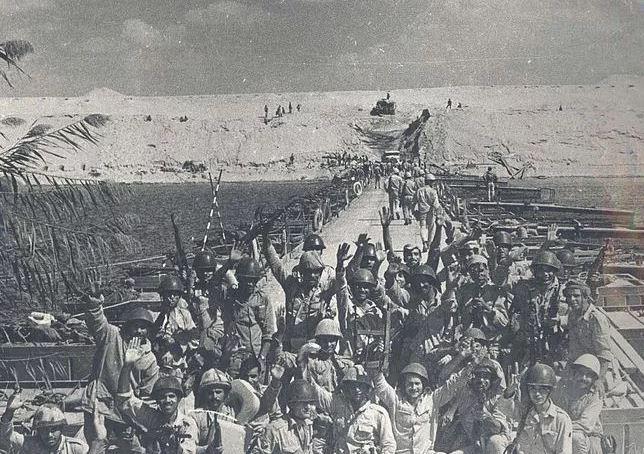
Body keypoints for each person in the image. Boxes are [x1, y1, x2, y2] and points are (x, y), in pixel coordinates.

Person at [81, 289, 159, 443]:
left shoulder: (150, 359)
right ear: (127, 326)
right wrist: (94, 304)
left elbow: (147, 394)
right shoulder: (112, 336)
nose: (138, 331)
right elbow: (97, 323)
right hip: (99, 405)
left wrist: (140, 421)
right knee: (97, 445)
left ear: (149, 331)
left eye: (143, 327)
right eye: (135, 326)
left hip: (126, 413)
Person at [369, 359, 477, 454]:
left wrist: (471, 366)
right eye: (410, 384)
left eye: (417, 384)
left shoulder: (433, 399)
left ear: (423, 384)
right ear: (404, 385)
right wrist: (376, 361)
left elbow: (452, 385)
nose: (413, 388)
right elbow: (380, 385)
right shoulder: (395, 400)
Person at [117, 338, 199, 454]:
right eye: (162, 397)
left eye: (171, 396)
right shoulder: (152, 417)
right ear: (157, 400)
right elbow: (124, 400)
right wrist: (127, 366)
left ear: (179, 399)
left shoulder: (187, 424)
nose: (167, 400)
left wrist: (174, 444)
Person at [264, 232, 337, 351]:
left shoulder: (325, 290)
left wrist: (341, 268)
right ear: (301, 272)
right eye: (308, 271)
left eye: (316, 272)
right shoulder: (291, 286)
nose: (312, 275)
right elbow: (276, 266)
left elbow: (342, 284)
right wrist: (266, 240)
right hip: (291, 345)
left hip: (316, 347)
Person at [213, 256, 277, 377]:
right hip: (235, 358)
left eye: (253, 280)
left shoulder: (262, 299)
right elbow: (214, 282)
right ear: (239, 279)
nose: (250, 284)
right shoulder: (230, 296)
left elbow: (268, 333)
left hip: (256, 359)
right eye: (246, 280)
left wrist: (262, 358)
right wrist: (229, 263)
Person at [309, 366, 396, 454]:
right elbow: (316, 393)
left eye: (361, 386)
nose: (357, 390)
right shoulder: (337, 404)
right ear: (346, 388)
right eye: (353, 386)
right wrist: (304, 369)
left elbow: (389, 445)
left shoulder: (378, 413)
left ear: (367, 389)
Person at [509, 250, 563, 365]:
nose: (545, 274)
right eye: (541, 270)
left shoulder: (562, 291)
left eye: (549, 270)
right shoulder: (524, 289)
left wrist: (559, 321)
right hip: (529, 344)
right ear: (535, 271)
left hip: (553, 343)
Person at [446, 361, 511, 454]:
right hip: (477, 446)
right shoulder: (465, 396)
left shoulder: (497, 398)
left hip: (497, 444)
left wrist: (487, 416)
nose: (481, 380)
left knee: (494, 441)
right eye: (478, 375)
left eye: (485, 376)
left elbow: (498, 428)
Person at [1, 391, 88, 454]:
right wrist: (9, 412)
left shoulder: (75, 448)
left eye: (53, 429)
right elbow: (7, 437)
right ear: (38, 431)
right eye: (44, 430)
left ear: (61, 428)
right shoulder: (31, 444)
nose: (49, 435)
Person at [512, 363, 572, 454]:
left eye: (542, 389)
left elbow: (564, 451)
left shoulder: (561, 419)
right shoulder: (525, 414)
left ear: (550, 391)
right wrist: (510, 390)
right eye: (533, 388)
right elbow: (504, 410)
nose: (537, 394)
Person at [564, 280, 613, 386]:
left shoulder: (596, 318)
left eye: (576, 296)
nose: (571, 299)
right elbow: (574, 347)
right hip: (581, 363)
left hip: (598, 366)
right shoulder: (573, 315)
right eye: (568, 296)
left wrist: (599, 380)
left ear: (585, 297)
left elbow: (604, 353)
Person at [552, 354, 604, 454]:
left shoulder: (595, 396)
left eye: (588, 375)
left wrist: (559, 427)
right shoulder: (563, 388)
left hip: (588, 437)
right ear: (574, 373)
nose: (583, 378)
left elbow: (585, 425)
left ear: (594, 379)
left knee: (575, 438)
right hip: (564, 432)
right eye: (580, 373)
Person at [253, 380, 320, 454]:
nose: (308, 407)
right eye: (303, 403)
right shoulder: (276, 430)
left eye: (310, 403)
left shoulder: (308, 425)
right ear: (292, 404)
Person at [413, 173, 441, 252]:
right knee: (431, 228)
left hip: (422, 211)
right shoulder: (433, 191)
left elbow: (414, 201)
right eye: (433, 181)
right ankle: (429, 243)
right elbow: (436, 204)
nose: (433, 183)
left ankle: (424, 242)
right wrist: (439, 213)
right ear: (430, 182)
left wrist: (413, 210)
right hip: (431, 211)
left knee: (423, 227)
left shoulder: (419, 190)